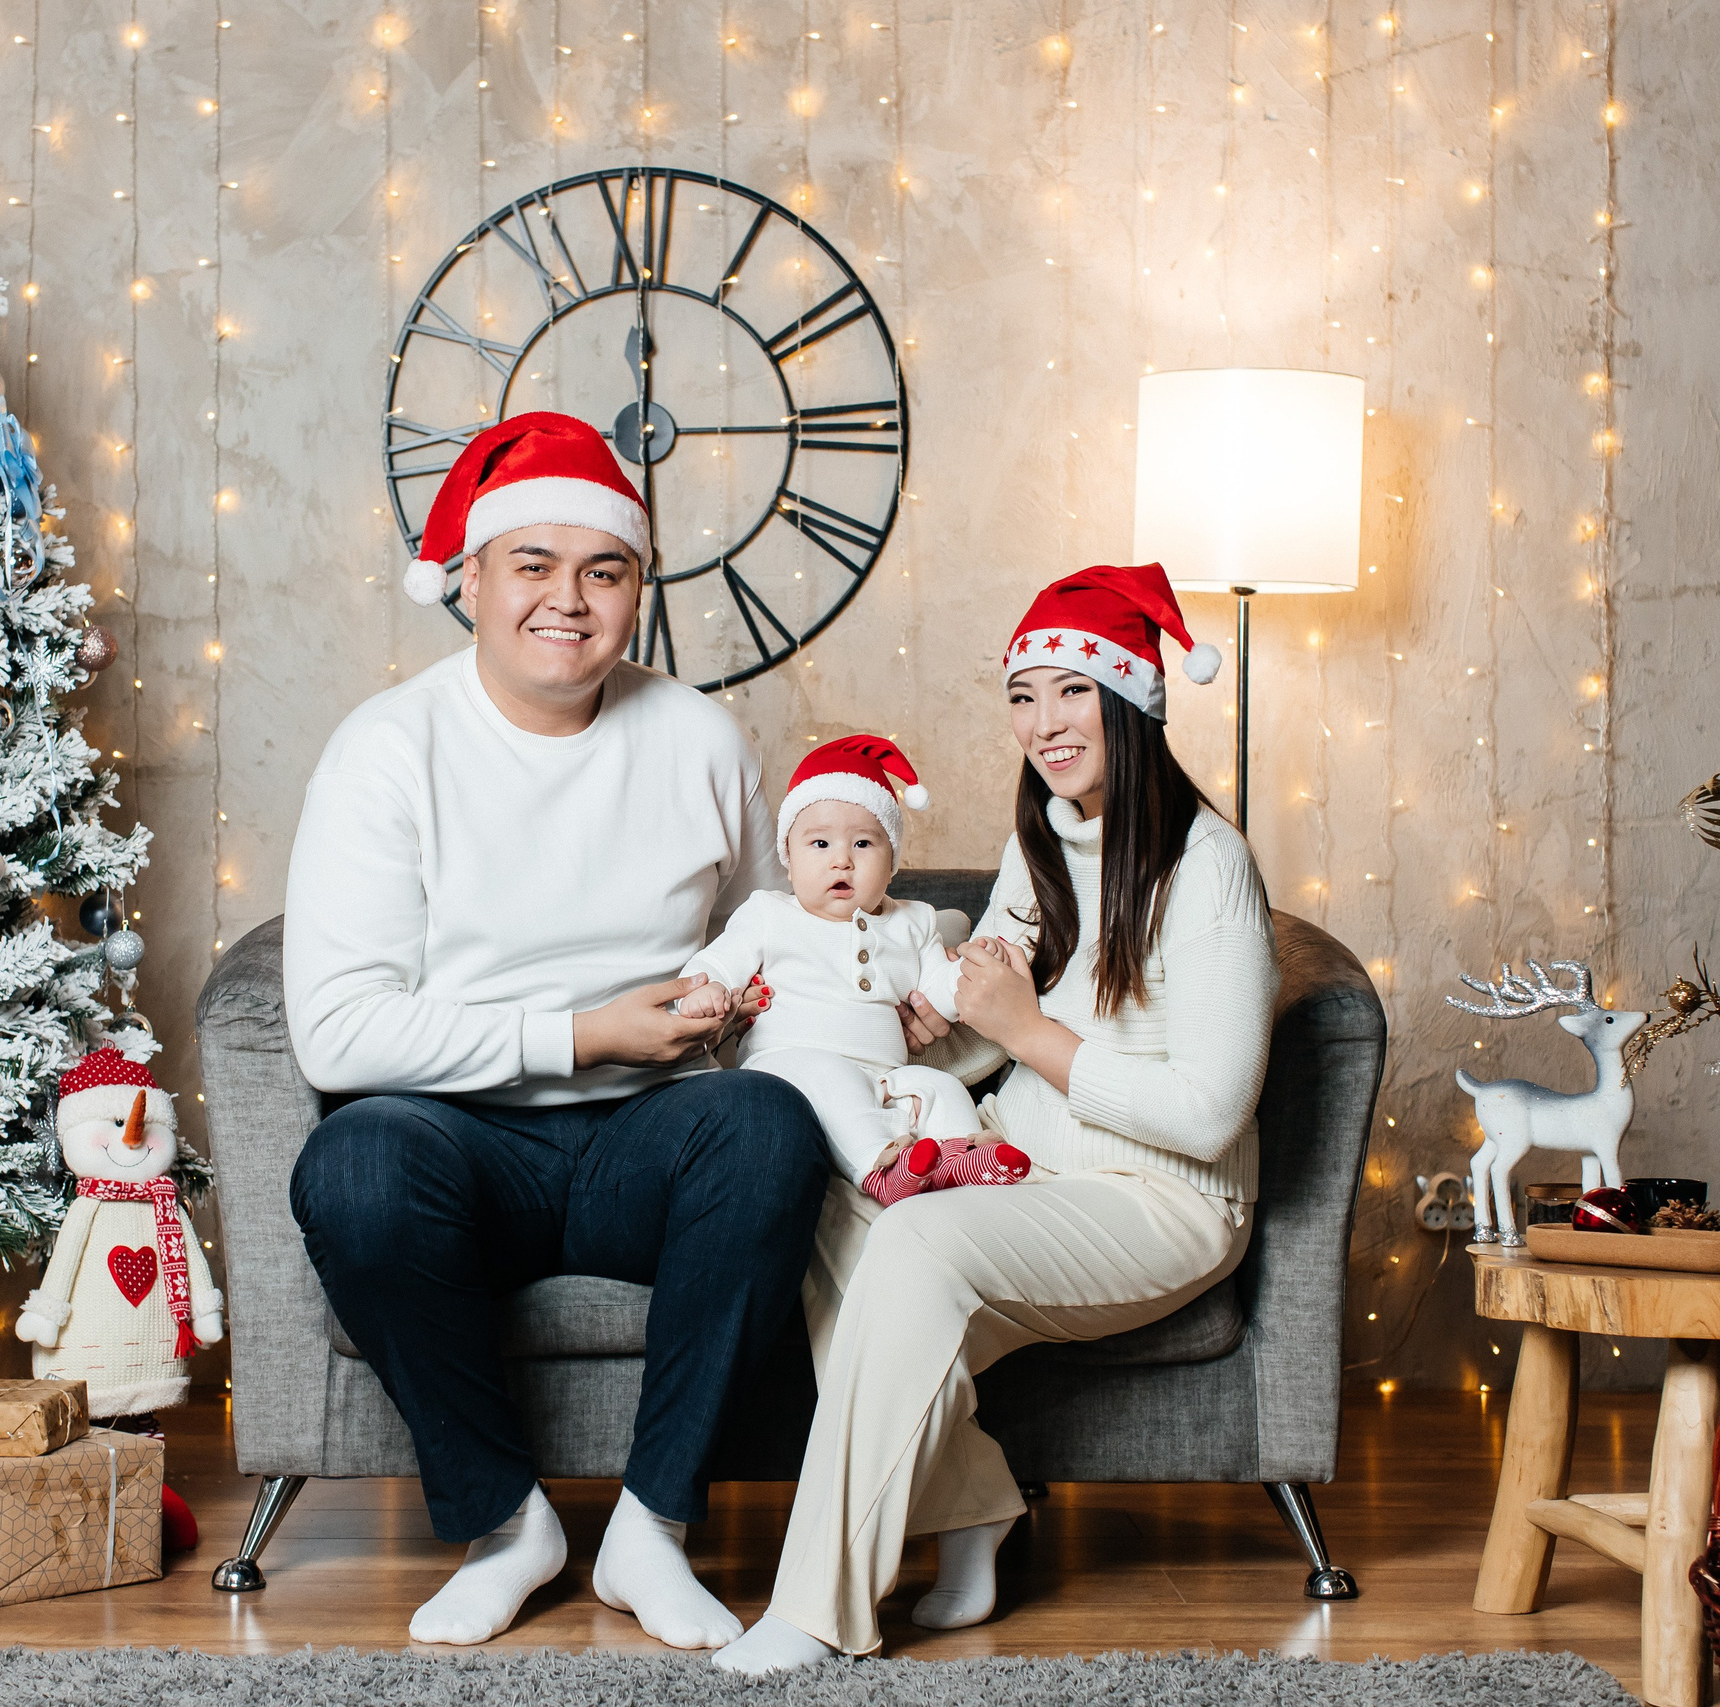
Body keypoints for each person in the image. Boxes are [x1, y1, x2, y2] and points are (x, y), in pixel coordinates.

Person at [282, 410, 828, 1652]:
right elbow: (338, 1035)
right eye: (533, 565)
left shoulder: (698, 737)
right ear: (471, 581)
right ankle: (505, 1524)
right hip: (459, 1143)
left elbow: (766, 943)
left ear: (639, 588)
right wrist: (581, 1035)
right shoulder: (387, 750)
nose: (567, 601)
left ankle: (651, 1528)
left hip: (655, 1135)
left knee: (768, 1123)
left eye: (604, 570)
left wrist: (789, 1005)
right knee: (354, 1164)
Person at [715, 562, 1280, 1673]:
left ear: (1132, 698)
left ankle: (814, 1610)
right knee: (830, 1209)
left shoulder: (1208, 867)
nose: (1043, 722)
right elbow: (989, 1018)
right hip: (1026, 1165)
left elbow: (1211, 1113)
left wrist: (1025, 1031)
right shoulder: (1042, 842)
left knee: (919, 1240)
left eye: (1072, 692)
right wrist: (894, 1021)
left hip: (1162, 1200)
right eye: (1023, 695)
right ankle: (974, 1508)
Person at [676, 733, 1029, 1206]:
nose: (841, 859)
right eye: (820, 843)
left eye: (863, 843)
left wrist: (972, 969)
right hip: (789, 1063)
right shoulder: (769, 913)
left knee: (940, 1086)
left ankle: (960, 1159)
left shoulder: (915, 922)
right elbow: (718, 961)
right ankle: (880, 1169)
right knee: (831, 1077)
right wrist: (709, 989)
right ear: (789, 861)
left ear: (893, 862)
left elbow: (938, 994)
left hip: (885, 1073)